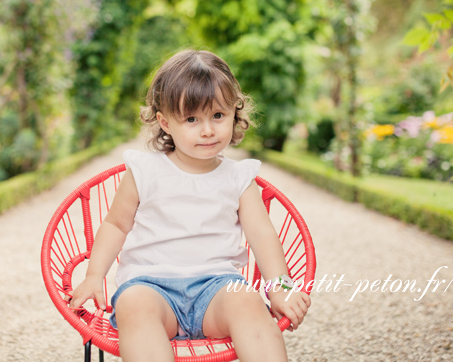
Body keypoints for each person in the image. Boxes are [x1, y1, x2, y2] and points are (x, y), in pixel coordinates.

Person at [67, 49, 311, 362]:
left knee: (247, 302)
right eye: (192, 119)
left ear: (234, 114)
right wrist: (93, 275)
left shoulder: (238, 177)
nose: (208, 130)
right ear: (165, 122)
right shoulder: (145, 171)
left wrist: (279, 286)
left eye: (218, 116)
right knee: (133, 305)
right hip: (150, 285)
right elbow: (116, 225)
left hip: (217, 288)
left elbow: (263, 235)